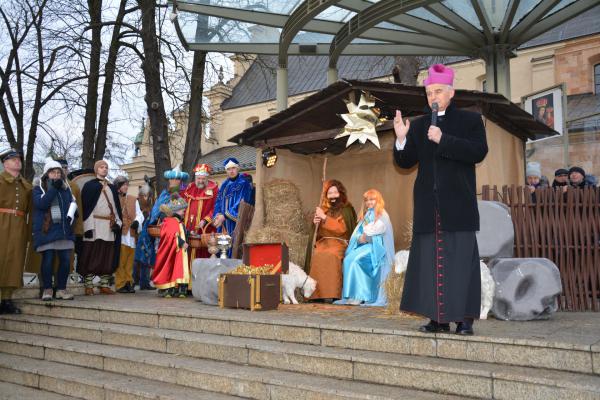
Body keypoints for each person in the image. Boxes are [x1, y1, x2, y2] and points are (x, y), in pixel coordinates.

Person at [393, 64, 488, 335]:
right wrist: (401, 140)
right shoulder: (420, 124)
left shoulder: (470, 121)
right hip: (428, 207)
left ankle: (465, 319)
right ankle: (437, 319)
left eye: (437, 91)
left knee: (460, 266)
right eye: (429, 92)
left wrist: (443, 139)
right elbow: (405, 161)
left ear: (451, 92)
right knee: (430, 265)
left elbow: (478, 152)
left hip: (458, 205)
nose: (432, 96)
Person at [335, 189, 394, 306]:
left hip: (376, 249)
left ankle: (361, 295)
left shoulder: (382, 215)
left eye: (372, 199)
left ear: (378, 200)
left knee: (356, 261)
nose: (369, 202)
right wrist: (359, 238)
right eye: (367, 200)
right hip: (364, 246)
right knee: (348, 260)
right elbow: (358, 233)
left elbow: (383, 237)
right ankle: (352, 294)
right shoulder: (367, 214)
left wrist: (368, 238)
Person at [32, 158, 78, 301]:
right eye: (53, 172)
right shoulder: (38, 188)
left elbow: (72, 204)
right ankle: (47, 289)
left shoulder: (66, 189)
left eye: (59, 172)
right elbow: (41, 204)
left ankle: (61, 289)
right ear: (47, 174)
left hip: (64, 230)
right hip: (47, 230)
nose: (57, 175)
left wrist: (74, 212)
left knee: (65, 260)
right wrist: (54, 188)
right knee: (48, 259)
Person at [305, 179, 357, 302]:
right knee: (317, 255)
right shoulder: (324, 209)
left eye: (335, 192)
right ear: (326, 196)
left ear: (341, 193)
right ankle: (316, 295)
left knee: (331, 255)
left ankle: (333, 294)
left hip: (339, 242)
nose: (333, 196)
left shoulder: (347, 209)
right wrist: (315, 224)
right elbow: (316, 234)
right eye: (330, 193)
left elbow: (342, 229)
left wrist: (324, 218)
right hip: (323, 242)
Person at [79, 160, 123, 295]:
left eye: (106, 167)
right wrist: (88, 227)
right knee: (91, 255)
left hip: (109, 226)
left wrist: (118, 223)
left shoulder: (112, 187)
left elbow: (115, 207)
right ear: (96, 170)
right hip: (95, 225)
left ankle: (104, 284)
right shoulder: (89, 186)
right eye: (101, 167)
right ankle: (88, 285)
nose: (104, 169)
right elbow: (86, 208)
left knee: (107, 255)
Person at [0, 148, 32, 314]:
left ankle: (6, 299)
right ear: (5, 163)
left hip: (19, 226)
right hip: (2, 224)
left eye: (18, 159)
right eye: (12, 159)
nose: (17, 161)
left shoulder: (26, 185)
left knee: (14, 263)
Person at [151, 194, 190, 298]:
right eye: (182, 210)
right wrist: (181, 243)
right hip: (173, 251)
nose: (184, 212)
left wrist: (189, 234)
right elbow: (170, 236)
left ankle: (179, 288)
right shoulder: (170, 221)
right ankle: (167, 289)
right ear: (177, 211)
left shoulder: (179, 222)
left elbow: (181, 233)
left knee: (177, 269)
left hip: (179, 252)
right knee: (169, 268)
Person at [213, 157, 253, 256]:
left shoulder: (244, 183)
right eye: (228, 169)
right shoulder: (224, 185)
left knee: (234, 249)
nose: (231, 171)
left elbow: (242, 202)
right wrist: (217, 215)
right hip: (223, 223)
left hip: (236, 222)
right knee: (222, 250)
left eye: (233, 168)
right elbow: (218, 201)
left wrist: (225, 216)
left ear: (238, 168)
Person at [113, 176, 144, 294]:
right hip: (120, 233)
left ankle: (128, 282)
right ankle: (120, 284)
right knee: (121, 261)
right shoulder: (114, 198)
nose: (126, 186)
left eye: (126, 184)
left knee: (130, 261)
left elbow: (139, 214)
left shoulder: (133, 199)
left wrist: (137, 221)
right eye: (123, 184)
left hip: (131, 233)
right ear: (118, 187)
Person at [182, 163, 218, 259]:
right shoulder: (190, 188)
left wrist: (205, 220)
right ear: (195, 178)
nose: (201, 181)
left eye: (203, 179)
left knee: (201, 254)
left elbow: (216, 207)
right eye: (199, 178)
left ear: (207, 178)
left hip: (205, 229)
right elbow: (183, 205)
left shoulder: (213, 189)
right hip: (188, 227)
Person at [133, 182, 154, 290]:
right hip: (138, 237)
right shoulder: (137, 205)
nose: (147, 198)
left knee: (146, 259)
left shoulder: (150, 208)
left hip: (147, 237)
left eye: (149, 196)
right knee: (137, 260)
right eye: (145, 196)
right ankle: (133, 280)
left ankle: (144, 282)